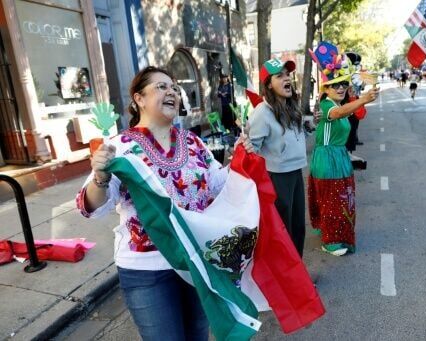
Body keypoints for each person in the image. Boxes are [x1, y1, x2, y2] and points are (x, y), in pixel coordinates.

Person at [76, 66, 254, 340]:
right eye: (161, 87)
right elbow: (92, 207)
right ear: (139, 99)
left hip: (195, 260)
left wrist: (242, 157)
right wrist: (100, 176)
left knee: (197, 334)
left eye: (174, 88)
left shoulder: (193, 142)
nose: (171, 92)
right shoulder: (119, 146)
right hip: (146, 270)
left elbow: (219, 184)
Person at [308, 41, 378, 256]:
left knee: (340, 199)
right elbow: (338, 115)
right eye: (334, 85)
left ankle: (334, 233)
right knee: (332, 200)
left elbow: (348, 113)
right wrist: (363, 100)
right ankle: (330, 241)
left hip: (338, 156)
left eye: (343, 84)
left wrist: (361, 100)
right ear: (325, 89)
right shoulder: (327, 105)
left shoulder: (338, 104)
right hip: (327, 158)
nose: (340, 88)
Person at [248, 58, 307, 257]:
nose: (286, 79)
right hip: (278, 178)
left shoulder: (291, 106)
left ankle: (298, 273)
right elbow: (251, 149)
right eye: (279, 76)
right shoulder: (262, 113)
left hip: (296, 172)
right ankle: (287, 279)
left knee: (298, 226)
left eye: (287, 74)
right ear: (268, 85)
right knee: (285, 230)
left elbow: (293, 138)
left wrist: (309, 126)